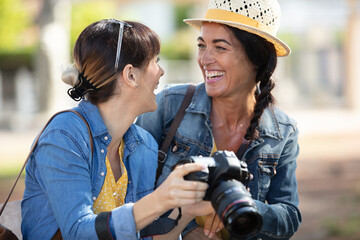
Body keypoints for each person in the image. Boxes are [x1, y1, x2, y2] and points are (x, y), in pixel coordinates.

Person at [21, 19, 210, 240]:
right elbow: (77, 232)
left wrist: (187, 210)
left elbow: (144, 236)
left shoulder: (144, 145)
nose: (161, 72)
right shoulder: (64, 136)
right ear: (131, 75)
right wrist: (159, 200)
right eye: (154, 61)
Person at [136, 0, 302, 239]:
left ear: (256, 57)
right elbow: (132, 195)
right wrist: (189, 225)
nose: (205, 59)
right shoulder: (168, 106)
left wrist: (231, 204)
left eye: (220, 48)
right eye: (202, 45)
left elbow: (289, 216)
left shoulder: (283, 131)